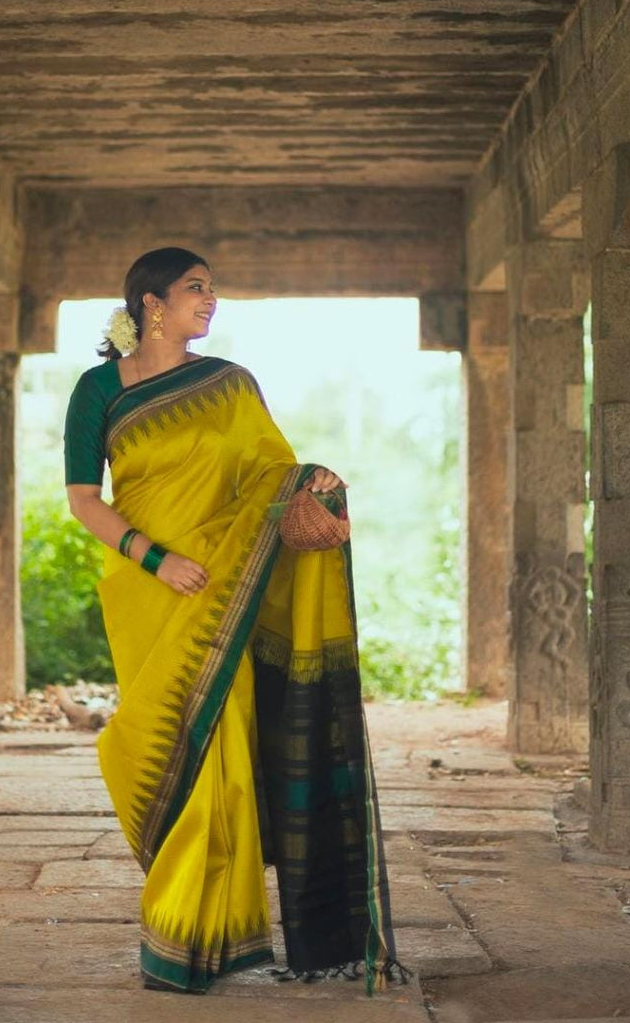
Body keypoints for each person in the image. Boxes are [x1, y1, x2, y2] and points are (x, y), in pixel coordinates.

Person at [64, 246, 408, 995]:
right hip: (151, 588)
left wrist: (309, 480)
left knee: (219, 749)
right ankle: (188, 925)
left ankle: (192, 938)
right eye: (196, 288)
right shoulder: (98, 389)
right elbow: (84, 499)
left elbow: (268, 474)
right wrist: (157, 560)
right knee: (149, 745)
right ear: (151, 303)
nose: (210, 299)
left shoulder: (230, 383)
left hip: (224, 584)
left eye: (212, 289)